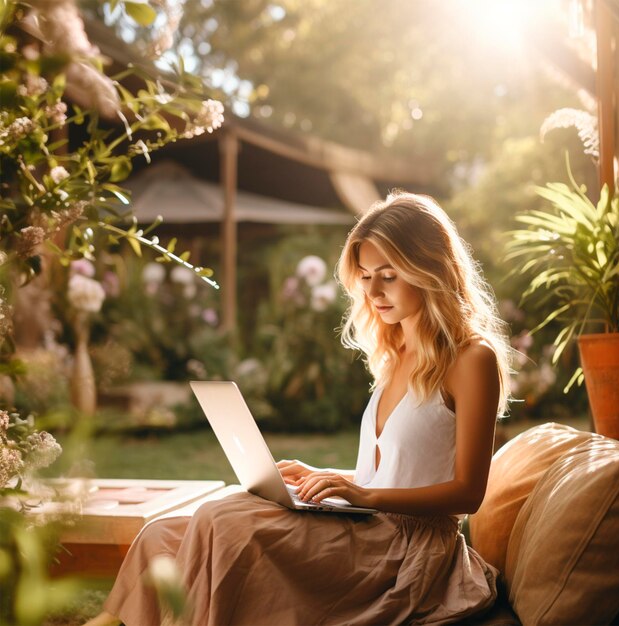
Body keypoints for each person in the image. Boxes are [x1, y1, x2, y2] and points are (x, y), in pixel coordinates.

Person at [86, 191, 511, 626]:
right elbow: (400, 471)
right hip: (367, 524)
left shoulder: (471, 360)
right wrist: (329, 479)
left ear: (429, 269)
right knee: (160, 535)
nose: (374, 291)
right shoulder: (397, 350)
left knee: (223, 521)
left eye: (389, 275)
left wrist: (362, 495)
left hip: (406, 551)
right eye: (365, 277)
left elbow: (468, 493)